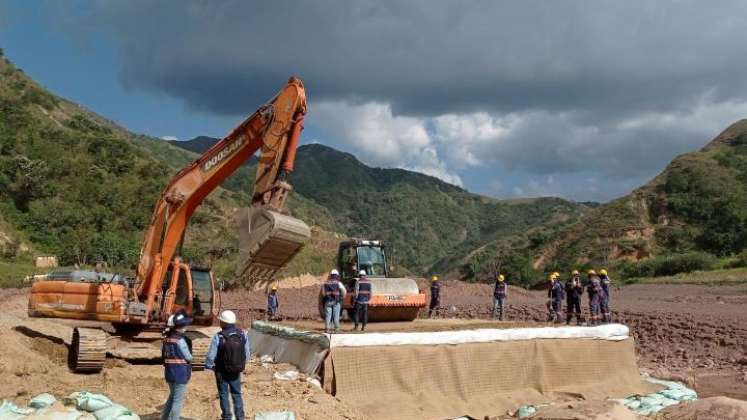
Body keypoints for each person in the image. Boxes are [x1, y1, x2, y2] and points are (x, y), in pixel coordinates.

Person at [205, 310, 251, 420]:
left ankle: (226, 417)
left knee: (223, 394)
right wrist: (239, 364)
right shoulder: (242, 334)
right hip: (236, 371)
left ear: (223, 323)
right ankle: (240, 416)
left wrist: (209, 366)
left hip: (221, 371)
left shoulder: (219, 336)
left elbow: (211, 356)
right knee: (237, 393)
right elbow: (247, 354)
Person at [161, 310, 192, 420]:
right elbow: (188, 357)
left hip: (169, 374)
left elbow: (163, 357)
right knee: (177, 401)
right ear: (181, 326)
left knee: (172, 397)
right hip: (180, 375)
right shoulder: (180, 340)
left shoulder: (166, 340)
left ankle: (164, 418)